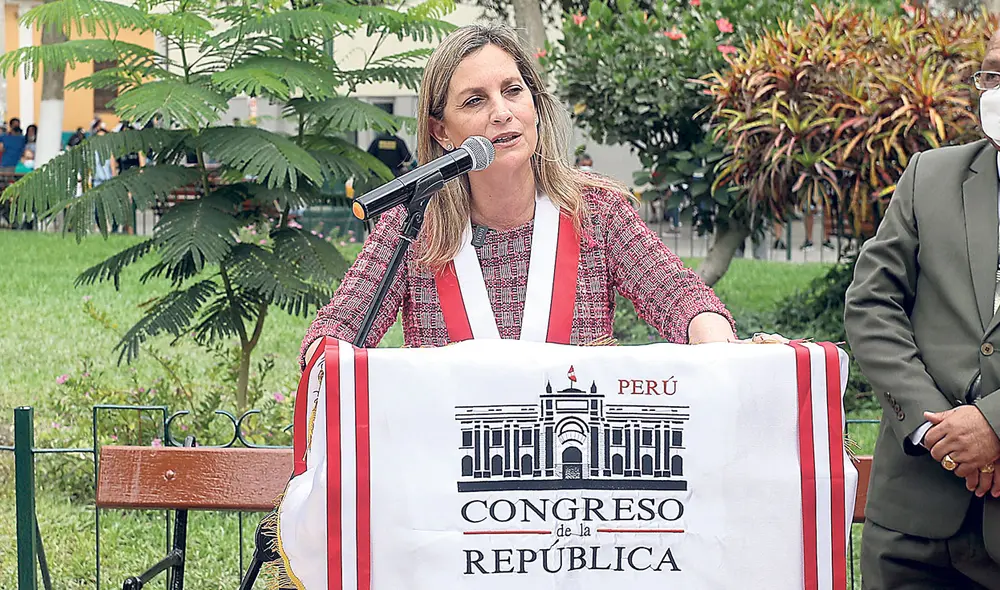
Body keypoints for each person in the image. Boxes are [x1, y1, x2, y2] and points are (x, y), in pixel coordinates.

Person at [301, 23, 737, 364]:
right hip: (451, 470)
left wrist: (713, 338)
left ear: (534, 105)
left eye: (513, 91)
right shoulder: (414, 223)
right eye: (475, 100)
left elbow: (680, 296)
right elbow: (338, 330)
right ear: (441, 131)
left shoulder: (596, 211)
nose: (502, 112)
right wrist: (324, 359)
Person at [844, 32, 1000, 589]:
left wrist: (993, 424)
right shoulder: (930, 176)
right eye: (992, 76)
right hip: (912, 523)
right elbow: (872, 303)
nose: (997, 91)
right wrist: (935, 428)